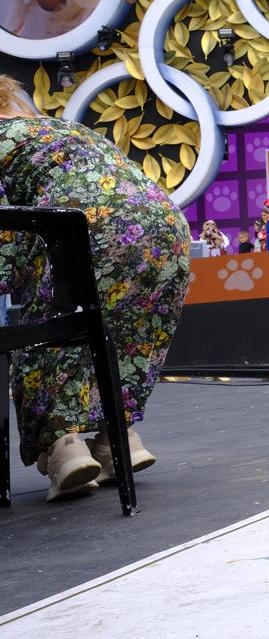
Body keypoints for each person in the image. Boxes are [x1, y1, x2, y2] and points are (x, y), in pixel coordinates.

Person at [0, 78, 188, 501]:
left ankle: (64, 447)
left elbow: (6, 231)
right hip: (165, 227)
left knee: (48, 333)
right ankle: (117, 440)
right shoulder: (62, 129)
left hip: (94, 227)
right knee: (118, 336)